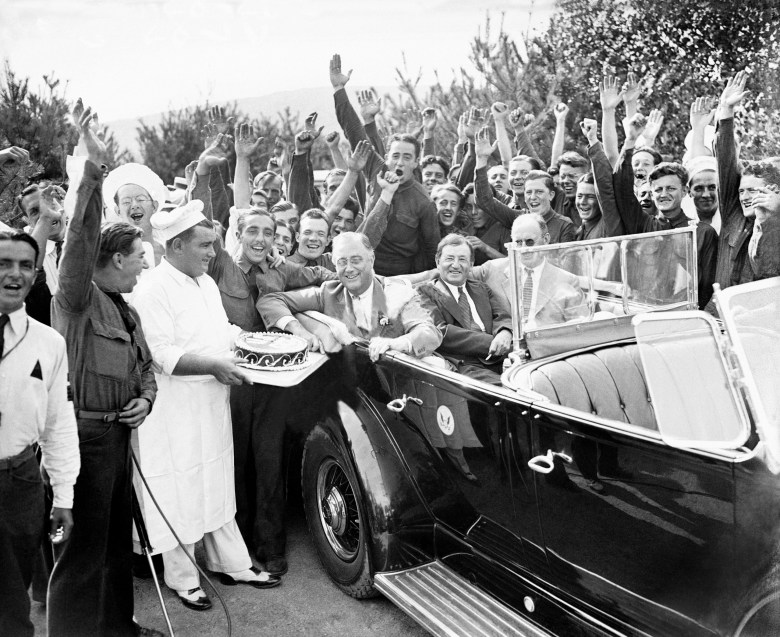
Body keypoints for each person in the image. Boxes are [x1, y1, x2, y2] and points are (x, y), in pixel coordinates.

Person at [132, 203, 281, 612]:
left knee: (216, 480)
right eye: (204, 246)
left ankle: (231, 563)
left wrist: (255, 343)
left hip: (212, 403)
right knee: (180, 489)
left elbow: (222, 331)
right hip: (175, 410)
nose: (212, 253)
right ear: (176, 246)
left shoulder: (204, 283)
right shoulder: (152, 289)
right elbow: (159, 354)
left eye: (213, 245)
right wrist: (215, 365)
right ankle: (183, 579)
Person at [48, 103, 162, 637]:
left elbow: (144, 368)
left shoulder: (127, 308)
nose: (144, 262)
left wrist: (146, 397)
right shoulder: (76, 297)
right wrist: (90, 175)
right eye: (138, 255)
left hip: (117, 436)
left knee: (116, 542)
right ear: (115, 258)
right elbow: (77, 241)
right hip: (84, 439)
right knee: (82, 553)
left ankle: (120, 628)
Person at [0, 230, 79, 637]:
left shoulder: (49, 342)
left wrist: (63, 496)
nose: (15, 274)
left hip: (18, 483)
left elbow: (59, 424)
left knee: (12, 601)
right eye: (3, 263)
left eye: (25, 265)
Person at [330, 54, 440, 275]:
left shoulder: (424, 202)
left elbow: (431, 251)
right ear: (386, 157)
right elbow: (354, 132)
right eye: (395, 156)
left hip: (396, 276)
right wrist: (339, 90)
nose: (400, 162)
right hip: (357, 266)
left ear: (416, 162)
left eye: (407, 157)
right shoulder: (377, 170)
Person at [257, 231, 442, 361]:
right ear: (334, 265)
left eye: (356, 260)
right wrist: (299, 330)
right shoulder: (328, 292)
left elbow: (429, 333)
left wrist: (398, 343)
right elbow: (270, 301)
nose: (349, 269)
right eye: (342, 262)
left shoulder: (396, 292)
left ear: (371, 259)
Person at [417, 234, 512, 385]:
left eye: (462, 259)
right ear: (437, 262)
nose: (455, 265)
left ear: (471, 264)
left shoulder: (481, 288)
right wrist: (491, 342)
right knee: (509, 392)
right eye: (449, 259)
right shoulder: (424, 293)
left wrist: (505, 332)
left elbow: (502, 315)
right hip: (465, 364)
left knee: (534, 382)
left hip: (503, 357)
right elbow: (440, 331)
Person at [510, 214, 589, 329]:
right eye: (518, 242)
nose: (523, 248)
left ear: (546, 239)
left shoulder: (567, 280)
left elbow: (581, 327)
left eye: (529, 242)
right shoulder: (494, 270)